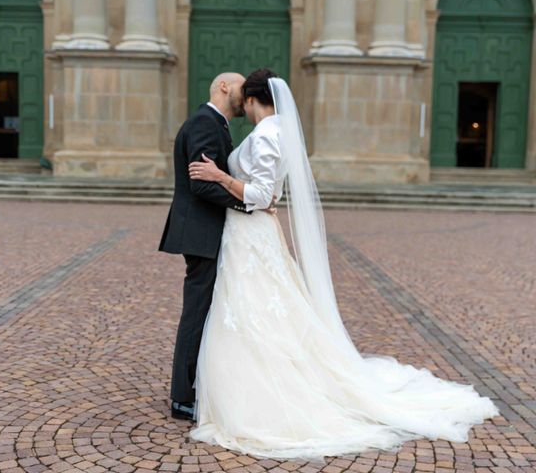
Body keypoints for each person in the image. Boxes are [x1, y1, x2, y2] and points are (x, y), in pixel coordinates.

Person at [185, 68, 499, 460]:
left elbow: (261, 193)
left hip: (249, 233)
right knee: (263, 307)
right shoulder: (281, 131)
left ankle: (258, 393)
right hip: (252, 232)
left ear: (250, 100)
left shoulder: (267, 135)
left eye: (244, 104)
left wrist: (219, 175)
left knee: (252, 308)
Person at [158, 72, 250, 421]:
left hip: (206, 230)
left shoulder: (218, 124)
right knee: (195, 314)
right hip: (199, 232)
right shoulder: (203, 122)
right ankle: (183, 397)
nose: (246, 96)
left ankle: (195, 385)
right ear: (224, 86)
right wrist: (248, 203)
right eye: (242, 88)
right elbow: (201, 183)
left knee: (203, 312)